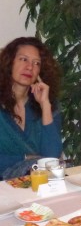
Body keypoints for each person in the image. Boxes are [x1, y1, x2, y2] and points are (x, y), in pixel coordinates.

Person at [0, 37, 62, 179]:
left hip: (38, 181)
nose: (30, 67)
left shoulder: (47, 104)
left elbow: (52, 157)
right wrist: (26, 158)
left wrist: (45, 105)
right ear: (9, 62)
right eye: (24, 59)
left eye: (36, 63)